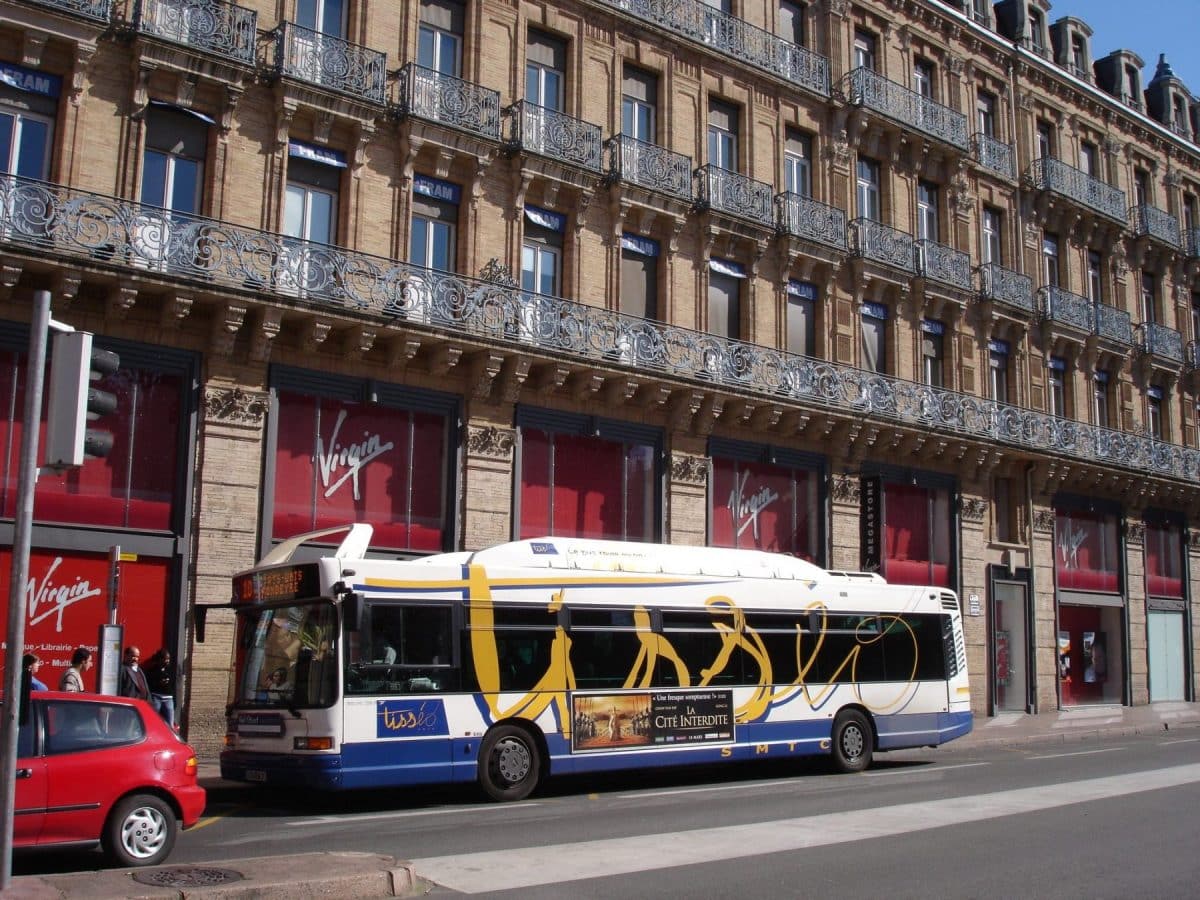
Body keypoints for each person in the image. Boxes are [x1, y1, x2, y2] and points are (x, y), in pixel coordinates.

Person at [145, 649, 177, 728]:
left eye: (168, 659)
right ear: (160, 659)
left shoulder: (171, 670)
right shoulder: (152, 671)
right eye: (166, 659)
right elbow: (149, 685)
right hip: (156, 697)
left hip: (169, 698)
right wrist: (159, 683)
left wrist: (175, 700)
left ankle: (170, 738)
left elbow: (174, 685)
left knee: (170, 722)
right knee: (153, 719)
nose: (167, 661)